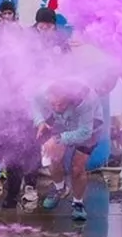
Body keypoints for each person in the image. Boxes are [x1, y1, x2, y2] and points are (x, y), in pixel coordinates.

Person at [32, 79, 102, 222]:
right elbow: (33, 103)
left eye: (61, 104)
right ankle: (60, 189)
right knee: (53, 158)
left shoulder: (86, 100)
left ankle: (78, 203)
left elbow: (84, 132)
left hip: (89, 126)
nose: (57, 108)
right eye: (53, 104)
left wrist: (58, 139)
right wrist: (40, 121)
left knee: (77, 168)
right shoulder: (44, 91)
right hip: (60, 123)